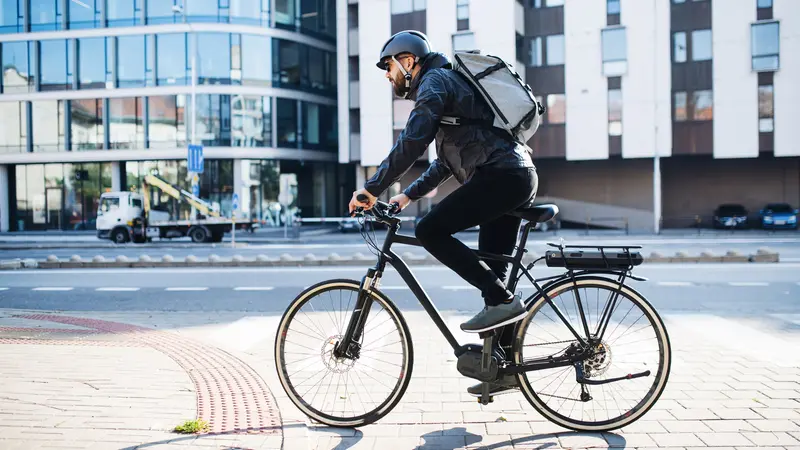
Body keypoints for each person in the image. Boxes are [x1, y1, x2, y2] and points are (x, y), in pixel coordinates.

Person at [348, 30, 539, 396]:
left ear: (408, 61)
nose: (388, 75)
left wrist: (371, 188)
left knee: (430, 231)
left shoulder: (434, 82)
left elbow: (413, 140)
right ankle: (503, 370)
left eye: (388, 66)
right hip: (512, 175)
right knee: (494, 277)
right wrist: (404, 196)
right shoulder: (448, 84)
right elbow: (445, 162)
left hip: (502, 177)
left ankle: (502, 302)